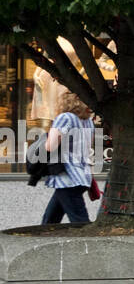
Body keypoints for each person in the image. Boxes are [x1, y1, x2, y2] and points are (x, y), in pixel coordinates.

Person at [40, 89, 96, 224]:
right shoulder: (88, 122)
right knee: (50, 220)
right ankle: (44, 241)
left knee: (80, 222)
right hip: (82, 177)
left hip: (68, 177)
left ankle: (91, 244)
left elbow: (50, 146)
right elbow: (88, 147)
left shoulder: (65, 118)